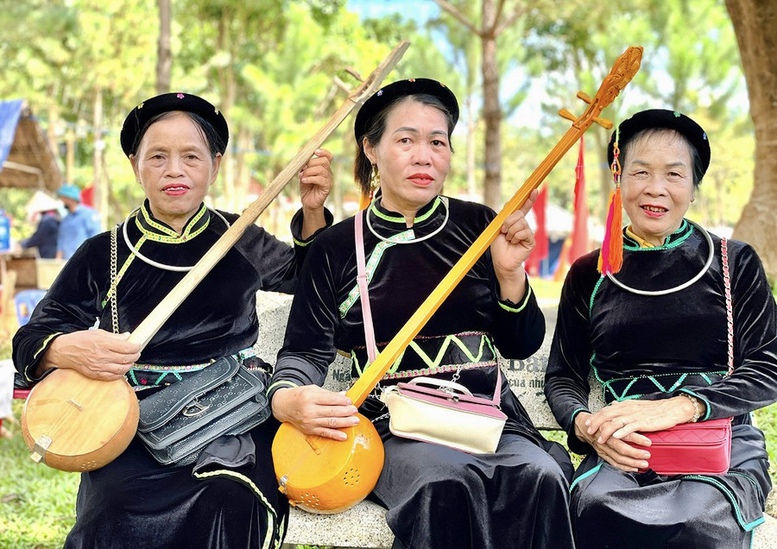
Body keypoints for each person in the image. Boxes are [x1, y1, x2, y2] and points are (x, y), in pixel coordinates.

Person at [12, 92, 333, 548]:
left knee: (227, 499)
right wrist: (66, 348)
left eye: (191, 156)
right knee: (116, 508)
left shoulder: (240, 238)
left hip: (233, 411)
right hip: (132, 416)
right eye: (157, 156)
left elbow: (311, 282)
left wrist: (314, 211)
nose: (174, 170)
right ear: (134, 164)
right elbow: (34, 337)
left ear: (215, 165)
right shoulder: (104, 252)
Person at [269, 78, 575, 548]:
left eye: (438, 142)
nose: (424, 155)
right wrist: (286, 397)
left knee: (539, 475)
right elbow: (303, 351)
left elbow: (520, 343)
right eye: (405, 140)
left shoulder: (480, 226)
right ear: (371, 149)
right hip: (397, 428)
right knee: (443, 485)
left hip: (490, 418)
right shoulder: (336, 248)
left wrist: (511, 275)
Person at [544, 109, 777, 548]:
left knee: (698, 521)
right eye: (641, 172)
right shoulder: (589, 273)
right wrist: (585, 424)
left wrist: (682, 407)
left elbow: (770, 365)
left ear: (693, 187)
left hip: (718, 444)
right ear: (619, 177)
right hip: (624, 449)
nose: (656, 188)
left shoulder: (734, 263)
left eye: (674, 173)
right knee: (594, 508)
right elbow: (564, 376)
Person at [55, 183, 100, 259]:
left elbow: (96, 236)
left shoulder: (89, 214)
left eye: (63, 198)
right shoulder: (65, 220)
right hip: (66, 262)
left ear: (70, 198)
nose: (62, 201)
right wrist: (57, 258)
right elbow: (61, 241)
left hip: (83, 260)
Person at [17, 191, 61, 258]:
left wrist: (23, 244)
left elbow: (38, 238)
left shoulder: (47, 221)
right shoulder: (54, 217)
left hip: (49, 254)